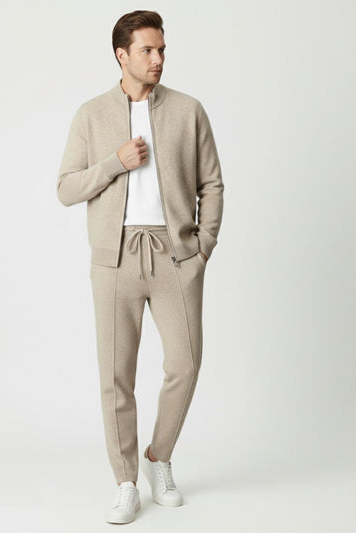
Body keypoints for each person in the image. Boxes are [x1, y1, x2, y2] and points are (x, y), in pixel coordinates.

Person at [57, 10, 224, 524]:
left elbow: (212, 184)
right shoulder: (91, 114)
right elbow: (66, 188)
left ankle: (158, 456)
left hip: (174, 254)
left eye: (162, 49)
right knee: (116, 375)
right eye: (147, 50)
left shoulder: (188, 110)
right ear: (121, 55)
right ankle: (126, 480)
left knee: (185, 363)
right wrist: (115, 162)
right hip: (115, 258)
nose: (158, 59)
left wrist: (202, 248)